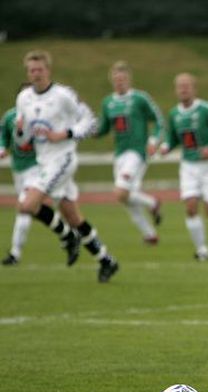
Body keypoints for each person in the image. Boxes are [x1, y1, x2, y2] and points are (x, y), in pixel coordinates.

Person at [14, 50, 119, 282]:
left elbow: (90, 121)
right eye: (32, 70)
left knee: (28, 204)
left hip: (63, 159)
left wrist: (65, 133)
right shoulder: (24, 99)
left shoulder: (63, 95)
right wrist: (20, 131)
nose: (36, 74)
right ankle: (106, 260)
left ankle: (68, 238)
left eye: (40, 70)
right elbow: (23, 139)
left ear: (48, 70)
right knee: (73, 216)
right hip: (44, 161)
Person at [160, 73, 208, 261]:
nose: (183, 89)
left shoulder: (205, 110)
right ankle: (202, 250)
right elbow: (173, 139)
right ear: (176, 90)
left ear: (194, 89)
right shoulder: (174, 114)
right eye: (180, 86)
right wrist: (165, 147)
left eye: (187, 86)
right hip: (188, 166)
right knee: (191, 207)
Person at [95, 61, 163, 244]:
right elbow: (102, 129)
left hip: (137, 152)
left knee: (120, 192)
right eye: (116, 79)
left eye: (123, 79)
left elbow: (158, 120)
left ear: (129, 80)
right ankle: (150, 235)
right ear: (112, 81)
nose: (120, 82)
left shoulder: (140, 98)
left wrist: (154, 140)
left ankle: (152, 203)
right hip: (120, 154)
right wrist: (89, 129)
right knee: (126, 198)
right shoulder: (108, 102)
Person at [0, 83, 47, 265]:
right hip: (18, 169)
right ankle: (69, 233)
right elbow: (3, 134)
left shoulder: (42, 117)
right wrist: (2, 148)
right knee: (31, 208)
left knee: (24, 208)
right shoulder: (11, 116)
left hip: (36, 169)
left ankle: (15, 253)